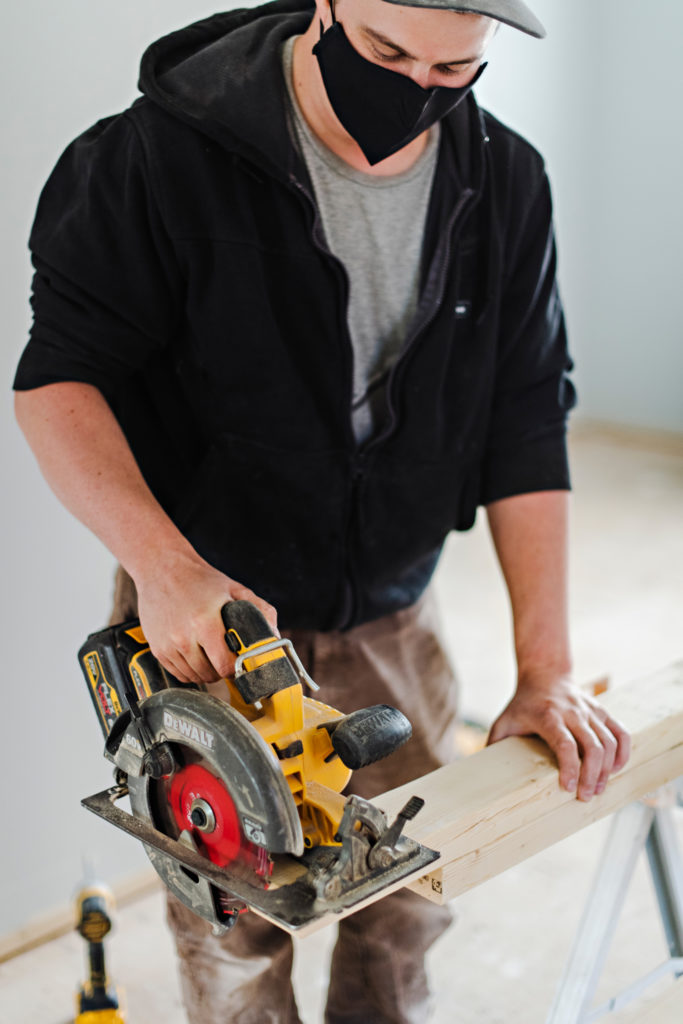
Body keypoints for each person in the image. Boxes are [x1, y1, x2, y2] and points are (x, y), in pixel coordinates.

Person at [14, 0, 631, 1020]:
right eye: (386, 52)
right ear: (327, 5)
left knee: (411, 895)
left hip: (392, 603)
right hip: (204, 616)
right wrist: (165, 570)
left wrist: (545, 667)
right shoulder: (157, 157)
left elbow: (526, 421)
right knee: (233, 925)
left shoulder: (504, 181)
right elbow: (57, 384)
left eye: (453, 69)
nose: (413, 92)